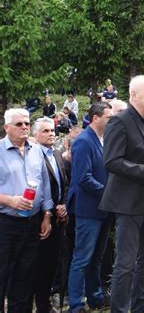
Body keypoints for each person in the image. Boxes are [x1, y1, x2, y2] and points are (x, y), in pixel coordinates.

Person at [99, 75, 144, 313]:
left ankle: (141, 305)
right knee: (126, 262)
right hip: (128, 202)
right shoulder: (119, 122)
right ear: (134, 96)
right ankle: (120, 309)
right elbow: (111, 161)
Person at [0, 108, 53, 312]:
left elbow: (45, 184)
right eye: (19, 124)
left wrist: (47, 215)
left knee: (24, 277)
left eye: (27, 123)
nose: (24, 127)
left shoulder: (36, 149)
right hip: (6, 223)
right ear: (6, 127)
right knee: (2, 274)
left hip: (32, 223)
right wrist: (10, 201)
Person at [67, 102, 113, 312]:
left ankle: (95, 297)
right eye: (108, 118)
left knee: (96, 257)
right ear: (96, 118)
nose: (111, 122)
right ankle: (76, 304)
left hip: (103, 208)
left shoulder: (103, 140)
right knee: (82, 258)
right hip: (88, 209)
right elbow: (83, 178)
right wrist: (109, 192)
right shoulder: (84, 141)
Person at [27, 117, 69, 313]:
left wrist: (64, 205)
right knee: (37, 264)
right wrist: (48, 211)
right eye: (45, 131)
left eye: (52, 130)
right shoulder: (33, 156)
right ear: (35, 135)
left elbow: (65, 183)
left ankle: (44, 304)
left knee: (52, 262)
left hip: (58, 216)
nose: (51, 133)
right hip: (38, 217)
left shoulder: (57, 154)